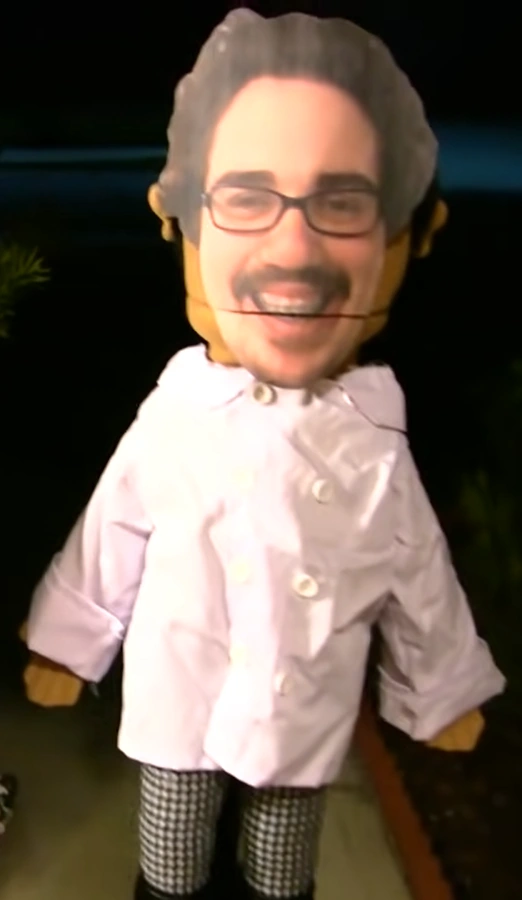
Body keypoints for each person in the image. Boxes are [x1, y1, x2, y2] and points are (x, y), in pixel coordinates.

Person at [23, 11, 505, 900]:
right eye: (245, 198)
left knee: (281, 872)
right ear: (177, 222)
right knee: (170, 863)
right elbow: (110, 532)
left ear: (414, 234)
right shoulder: (176, 412)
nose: (292, 250)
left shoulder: (370, 435)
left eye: (345, 204)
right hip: (183, 688)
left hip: (300, 699)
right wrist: (70, 643)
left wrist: (440, 684)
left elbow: (417, 568)